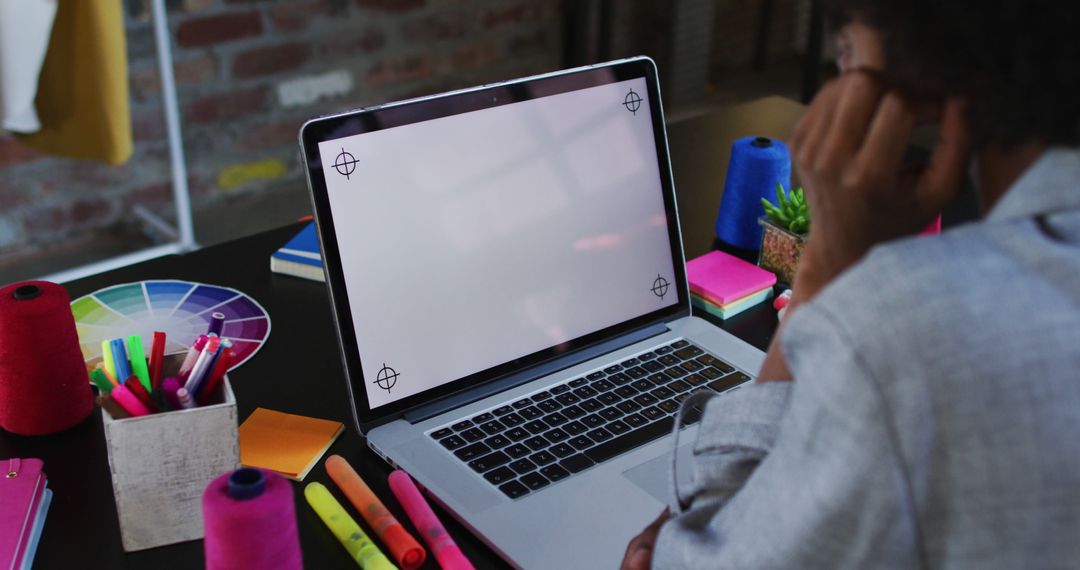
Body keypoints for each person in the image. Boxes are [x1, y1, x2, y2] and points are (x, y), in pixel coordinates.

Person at [622, 0, 1080, 567]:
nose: (838, 77)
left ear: (925, 73)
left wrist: (828, 264)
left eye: (846, 51)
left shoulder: (905, 328)